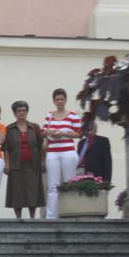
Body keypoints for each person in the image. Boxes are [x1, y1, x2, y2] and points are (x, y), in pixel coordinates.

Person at [42, 88, 82, 219]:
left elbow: (79, 133)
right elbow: (43, 132)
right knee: (52, 186)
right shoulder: (49, 115)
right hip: (52, 153)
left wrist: (64, 133)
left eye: (62, 99)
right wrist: (51, 132)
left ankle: (69, 213)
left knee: (68, 183)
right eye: (57, 99)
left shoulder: (73, 115)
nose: (59, 101)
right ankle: (51, 216)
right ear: (54, 101)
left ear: (65, 100)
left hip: (68, 152)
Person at [3, 100, 46, 219]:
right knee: (18, 193)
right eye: (19, 111)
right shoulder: (9, 129)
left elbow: (41, 146)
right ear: (15, 113)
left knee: (32, 192)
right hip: (16, 165)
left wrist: (43, 162)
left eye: (24, 110)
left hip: (33, 165)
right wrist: (7, 164)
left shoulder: (34, 127)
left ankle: (32, 217)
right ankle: (18, 218)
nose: (22, 113)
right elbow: (6, 148)